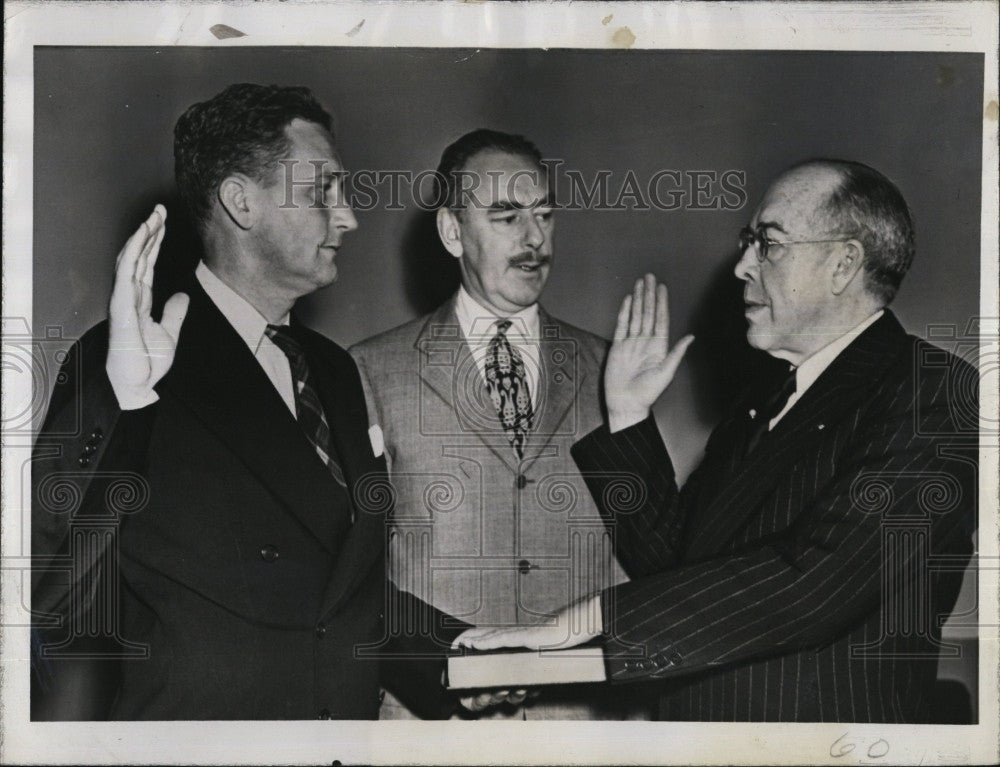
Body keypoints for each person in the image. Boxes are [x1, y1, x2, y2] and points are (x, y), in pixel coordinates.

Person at [455, 160, 978, 723]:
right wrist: (629, 416)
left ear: (844, 263)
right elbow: (677, 565)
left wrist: (581, 621)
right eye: (747, 242)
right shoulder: (767, 400)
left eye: (768, 244)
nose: (741, 266)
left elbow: (813, 584)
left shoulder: (934, 392)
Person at [31, 83, 451, 720]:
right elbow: (47, 575)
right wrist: (126, 399)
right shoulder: (127, 355)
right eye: (321, 193)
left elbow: (335, 590)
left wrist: (460, 651)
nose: (349, 218)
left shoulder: (333, 370)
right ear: (240, 201)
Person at [350, 129, 649, 720]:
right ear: (452, 232)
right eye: (507, 217)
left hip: (584, 724)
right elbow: (353, 575)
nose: (535, 238)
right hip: (431, 726)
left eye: (544, 214)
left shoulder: (614, 369)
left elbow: (650, 551)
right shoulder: (368, 371)